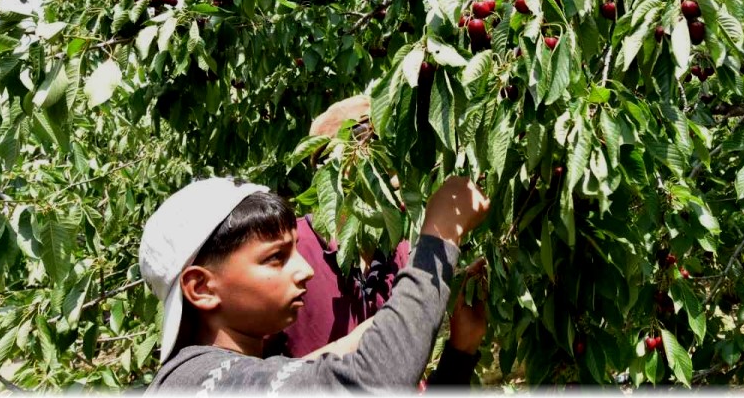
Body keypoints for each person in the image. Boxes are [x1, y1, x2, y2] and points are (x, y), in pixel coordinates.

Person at [139, 173, 489, 393]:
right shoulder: (199, 383)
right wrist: (441, 232)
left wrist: (460, 351)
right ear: (201, 287)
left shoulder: (246, 376)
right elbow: (373, 380)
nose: (305, 269)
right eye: (275, 257)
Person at [270, 95, 487, 385]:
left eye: (395, 152)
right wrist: (382, 336)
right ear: (333, 165)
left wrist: (461, 348)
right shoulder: (287, 255)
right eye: (375, 150)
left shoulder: (402, 255)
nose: (395, 173)